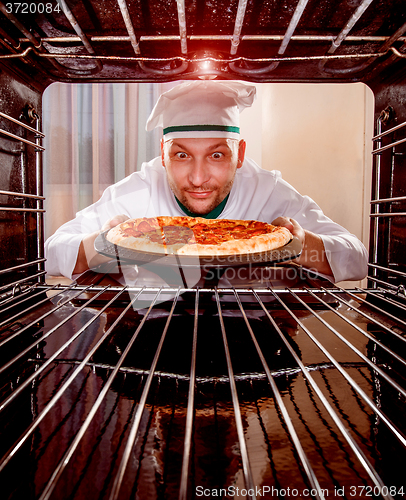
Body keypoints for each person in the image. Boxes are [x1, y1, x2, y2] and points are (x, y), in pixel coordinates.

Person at [45, 80, 368, 283]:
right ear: (162, 153)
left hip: (253, 334)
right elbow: (52, 252)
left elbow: (357, 258)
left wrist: (297, 244)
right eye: (182, 156)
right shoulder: (137, 190)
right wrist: (104, 246)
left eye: (217, 156)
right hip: (153, 336)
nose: (198, 179)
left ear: (240, 154)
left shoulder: (268, 190)